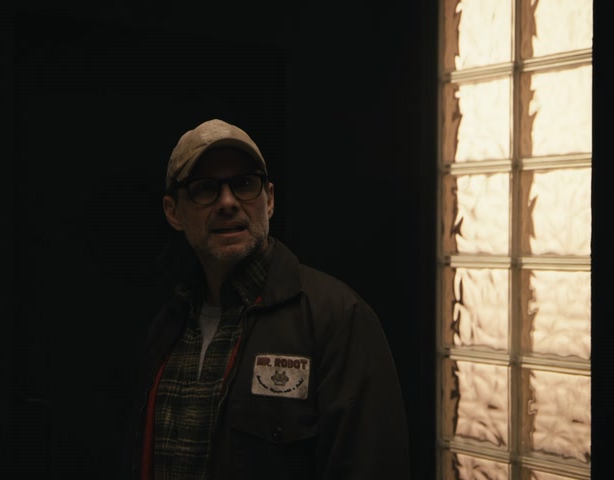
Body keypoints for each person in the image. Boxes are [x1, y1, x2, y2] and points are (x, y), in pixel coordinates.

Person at [121, 118, 410, 479]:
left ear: (269, 199)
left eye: (244, 184)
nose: (228, 202)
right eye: (205, 188)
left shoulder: (336, 318)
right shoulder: (169, 323)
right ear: (173, 211)